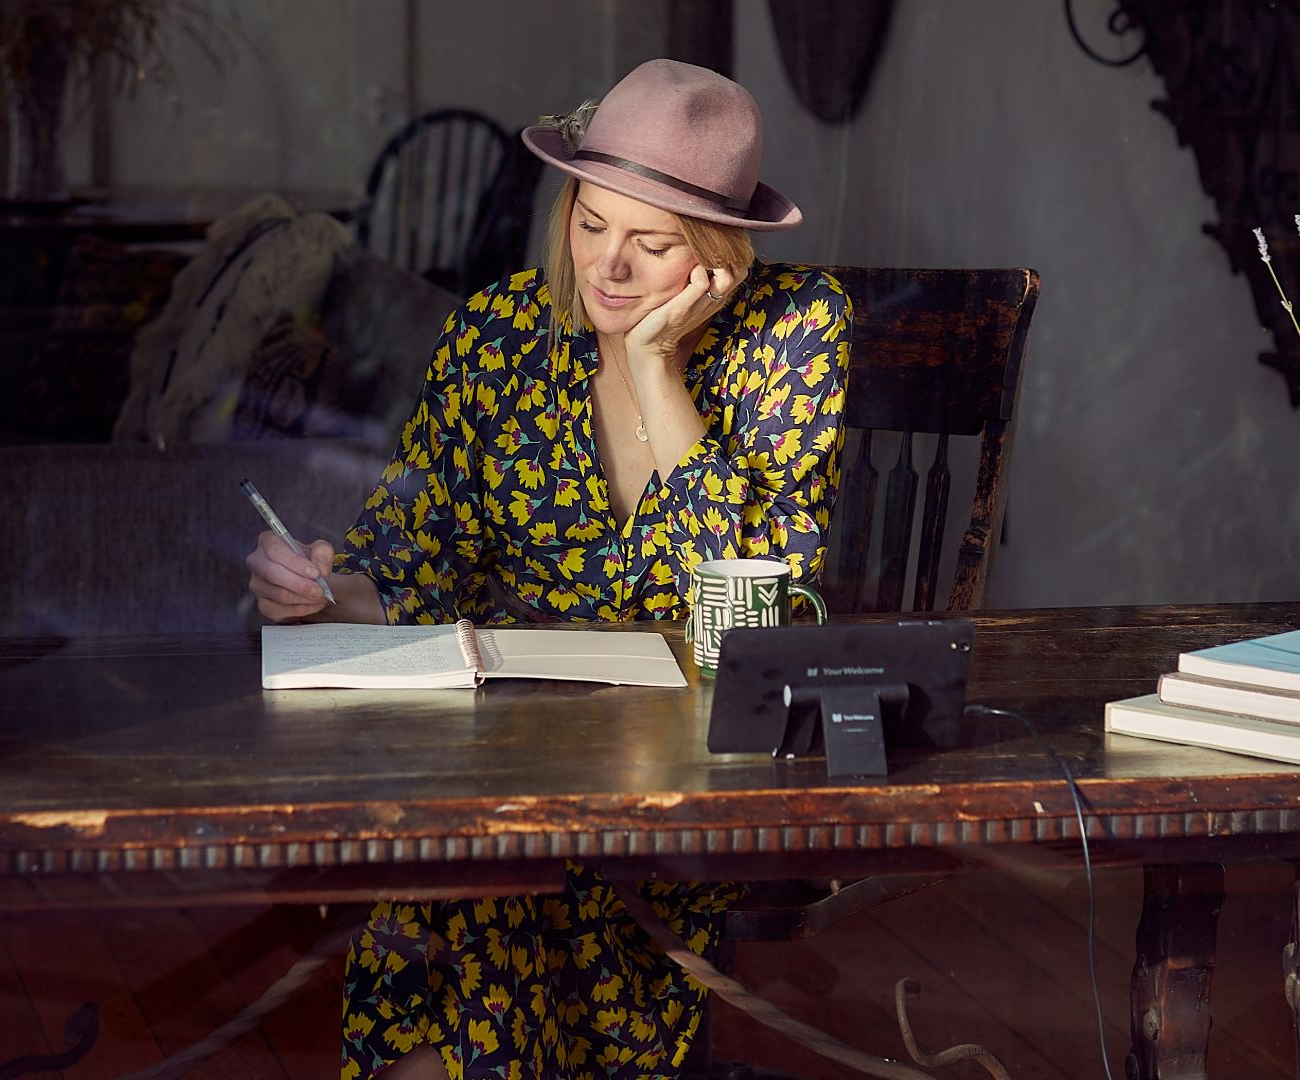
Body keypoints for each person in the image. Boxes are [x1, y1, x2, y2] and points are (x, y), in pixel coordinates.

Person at [246, 58, 851, 1078]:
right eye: (591, 225)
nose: (610, 269)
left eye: (652, 244)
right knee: (482, 860)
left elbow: (753, 611)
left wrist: (657, 373)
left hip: (705, 773)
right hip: (515, 755)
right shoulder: (497, 335)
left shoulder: (794, 333)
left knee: (481, 876)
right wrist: (320, 587)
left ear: (718, 254)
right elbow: (410, 552)